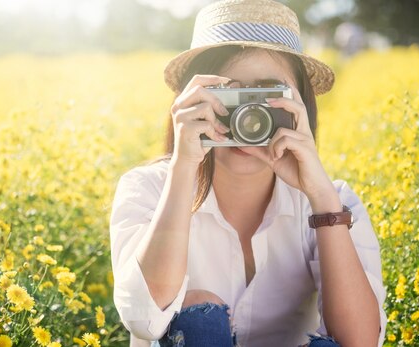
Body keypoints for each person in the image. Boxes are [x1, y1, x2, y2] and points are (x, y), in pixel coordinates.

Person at [109, 1, 387, 346]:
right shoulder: (148, 189)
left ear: (301, 104)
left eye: (267, 94)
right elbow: (145, 320)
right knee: (197, 311)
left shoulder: (335, 200)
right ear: (191, 101)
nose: (248, 116)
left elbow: (359, 342)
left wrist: (323, 202)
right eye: (232, 93)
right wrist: (184, 165)